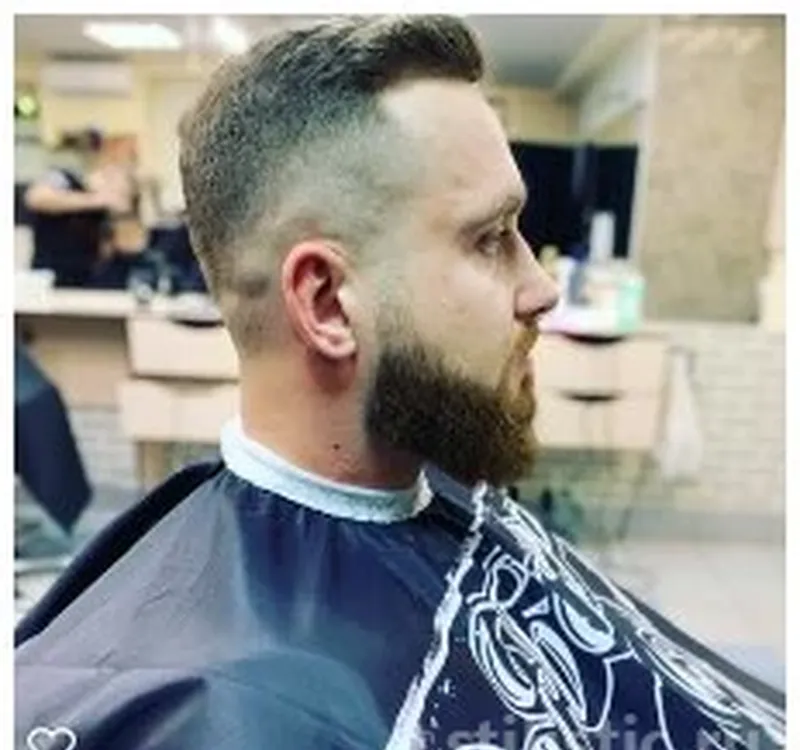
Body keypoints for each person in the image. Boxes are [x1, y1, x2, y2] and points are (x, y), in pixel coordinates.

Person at [15, 16, 784, 750]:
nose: (542, 289)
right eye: (490, 238)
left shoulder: (444, 496)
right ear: (327, 305)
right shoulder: (218, 710)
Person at [24, 128, 128, 288]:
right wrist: (96, 200)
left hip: (87, 272)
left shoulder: (98, 183)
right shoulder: (61, 177)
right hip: (54, 271)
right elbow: (36, 198)